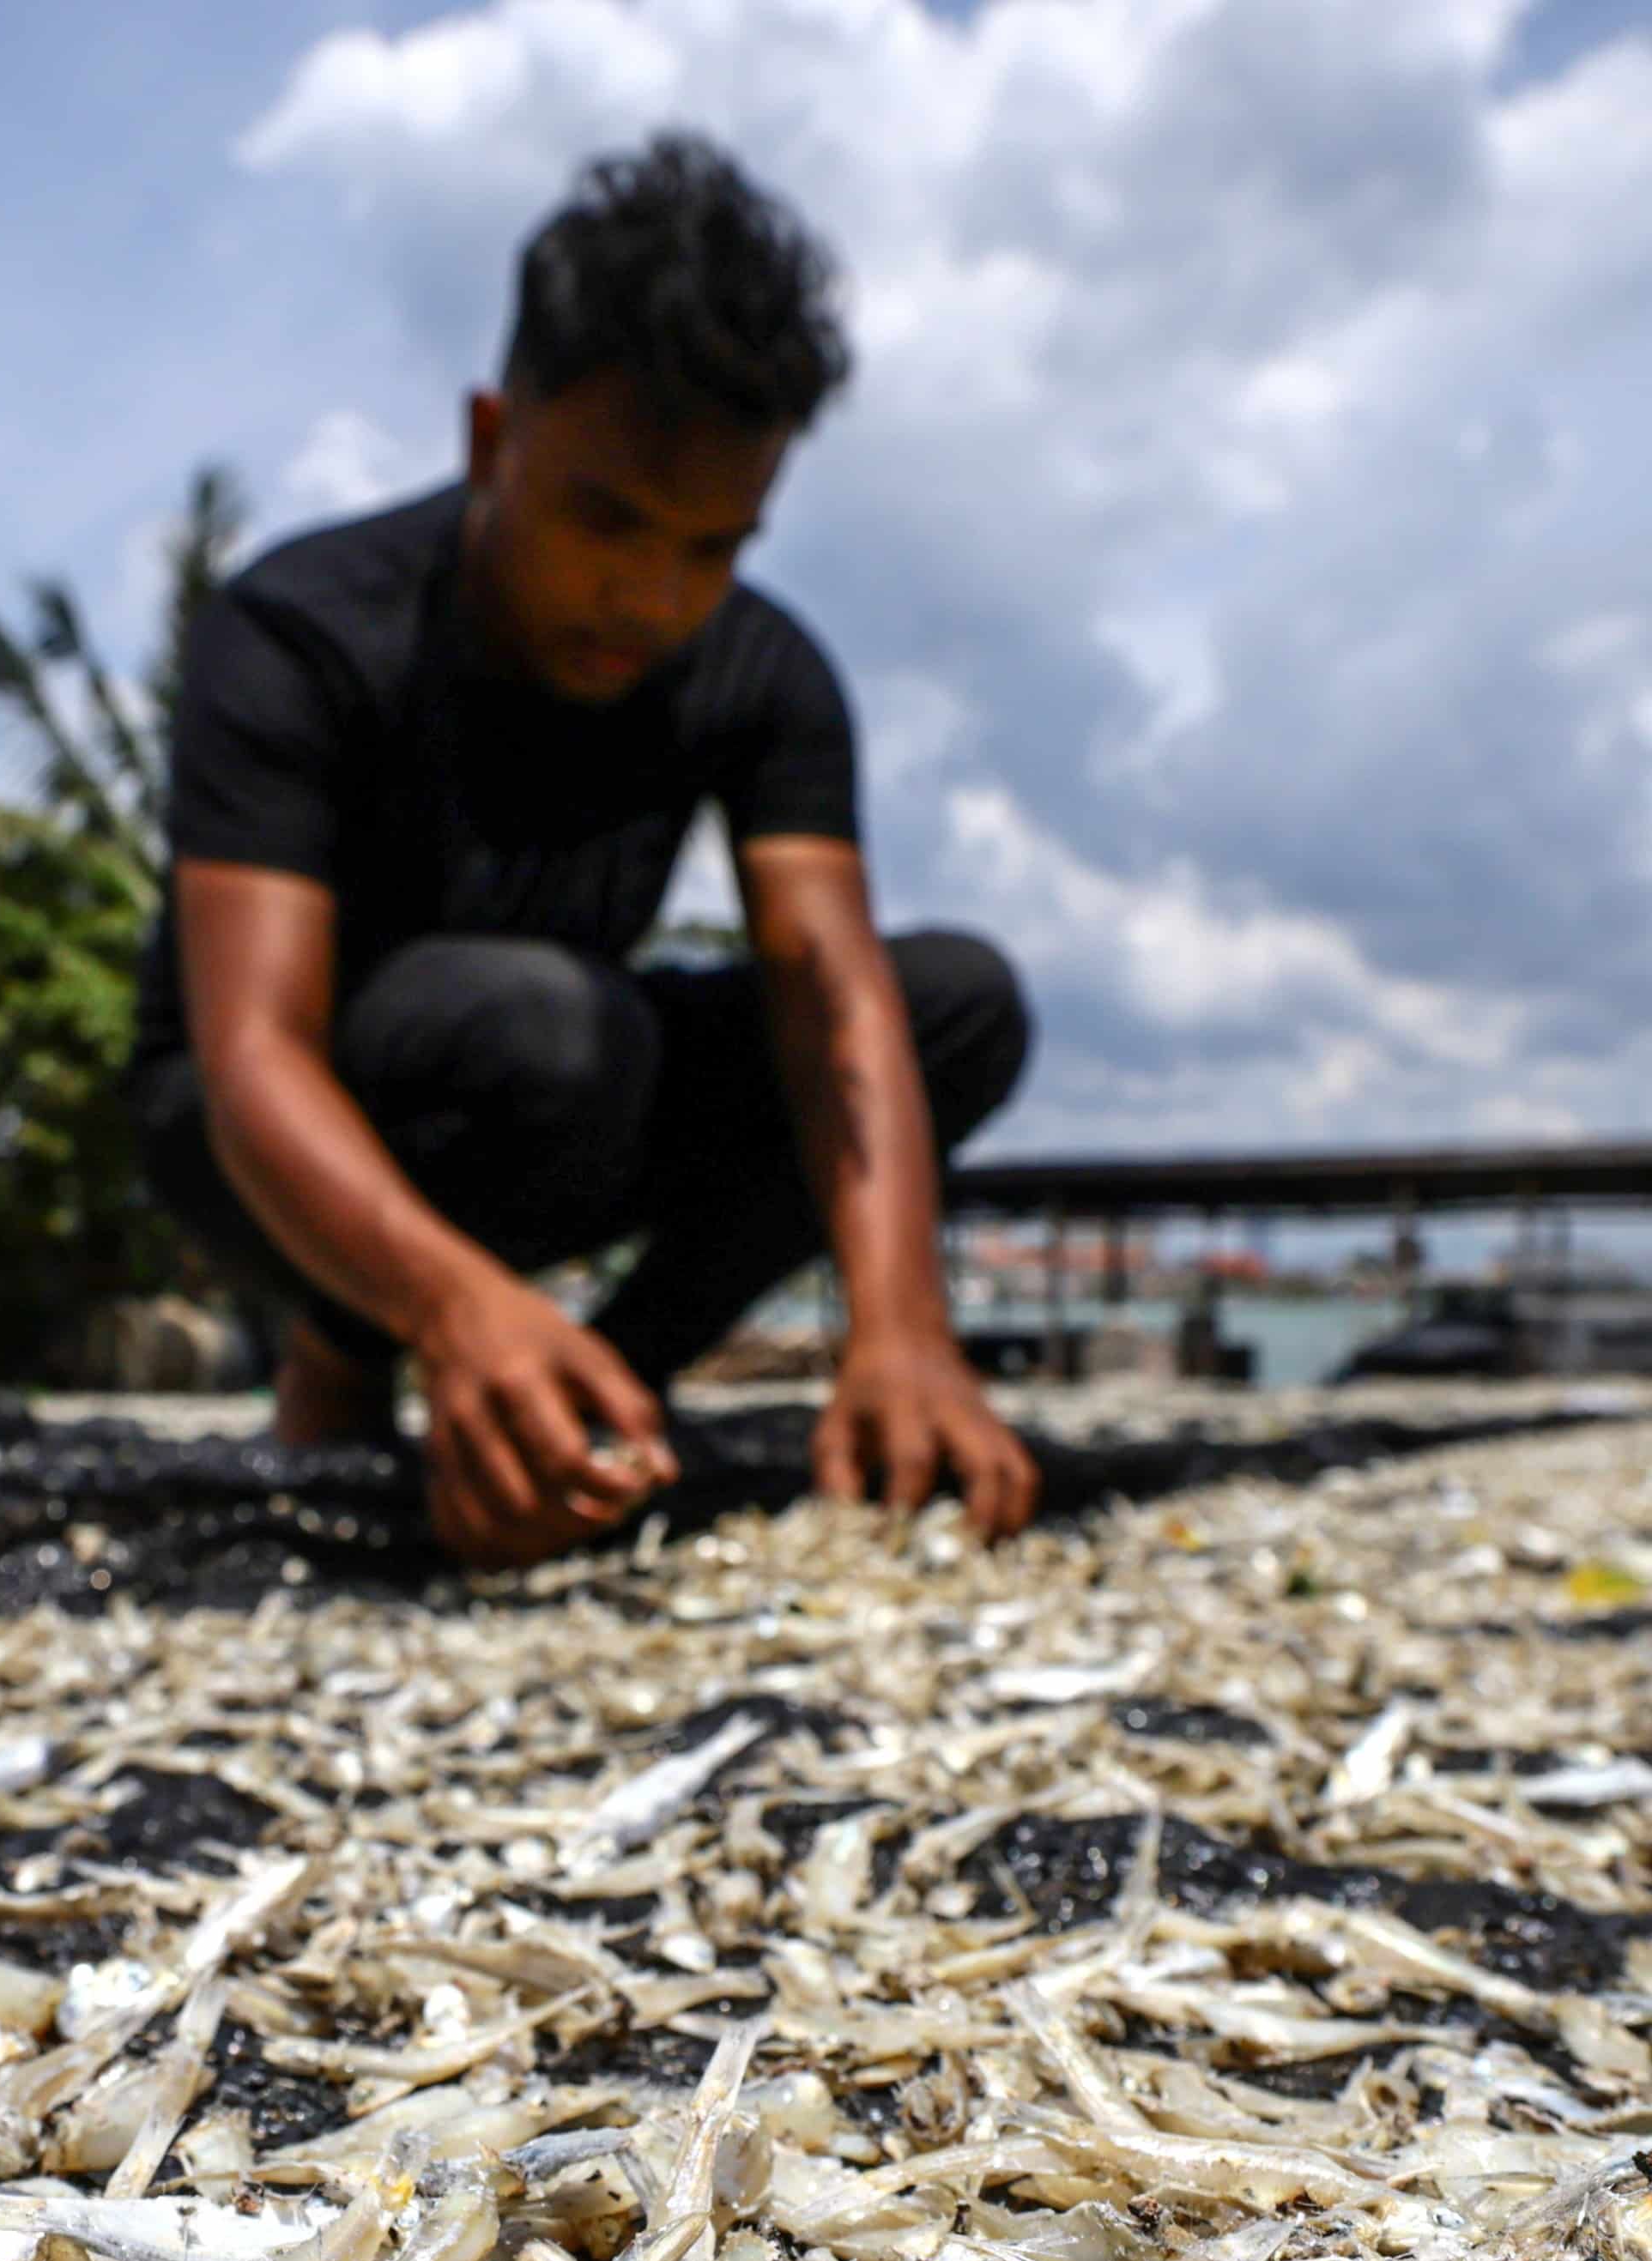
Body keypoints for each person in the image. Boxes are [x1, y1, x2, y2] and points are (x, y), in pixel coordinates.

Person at [132, 132, 1039, 1567]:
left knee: (959, 1005)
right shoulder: (303, 627)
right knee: (551, 1030)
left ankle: (598, 1395)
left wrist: (903, 1324)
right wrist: (442, 1307)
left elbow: (833, 997)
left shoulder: (765, 675)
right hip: (272, 1132)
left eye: (713, 547)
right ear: (494, 440)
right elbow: (249, 1053)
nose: (651, 594)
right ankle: (350, 1350)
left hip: (573, 1099)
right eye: (605, 519)